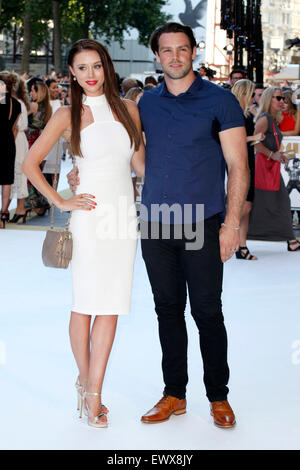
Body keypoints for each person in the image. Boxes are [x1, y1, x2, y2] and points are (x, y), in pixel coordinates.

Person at [22, 38, 145, 428]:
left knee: (112, 305)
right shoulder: (66, 114)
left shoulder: (129, 110)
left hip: (123, 218)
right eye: (82, 68)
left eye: (97, 66)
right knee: (87, 302)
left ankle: (93, 389)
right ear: (72, 74)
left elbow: (141, 165)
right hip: (90, 219)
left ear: (106, 67)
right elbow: (29, 164)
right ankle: (87, 384)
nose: (91, 75)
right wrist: (61, 201)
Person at [137, 22, 248, 428]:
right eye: (166, 51)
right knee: (167, 310)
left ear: (194, 51)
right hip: (156, 225)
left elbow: (238, 165)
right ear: (157, 56)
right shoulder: (145, 103)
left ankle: (218, 397)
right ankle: (174, 394)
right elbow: (127, 151)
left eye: (182, 49)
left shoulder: (220, 101)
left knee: (206, 311)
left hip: (203, 222)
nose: (175, 57)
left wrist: (232, 224)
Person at [247, 87, 300, 250]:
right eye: (278, 98)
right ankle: (291, 240)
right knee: (270, 202)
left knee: (277, 202)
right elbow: (255, 142)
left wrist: (277, 155)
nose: (282, 101)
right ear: (269, 99)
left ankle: (290, 240)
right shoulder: (264, 119)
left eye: (283, 98)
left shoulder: (271, 119)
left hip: (271, 167)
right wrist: (272, 155)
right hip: (264, 168)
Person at [231, 79, 265, 260]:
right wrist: (254, 137)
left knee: (248, 206)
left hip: (247, 160)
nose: (254, 98)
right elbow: (233, 138)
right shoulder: (234, 113)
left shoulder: (246, 113)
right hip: (239, 162)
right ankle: (233, 239)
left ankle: (242, 246)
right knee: (242, 206)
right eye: (252, 94)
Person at [25, 81, 52, 215]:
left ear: (38, 92)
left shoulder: (34, 105)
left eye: (32, 91)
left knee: (29, 175)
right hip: (39, 140)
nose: (30, 93)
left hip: (30, 140)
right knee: (37, 174)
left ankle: (32, 204)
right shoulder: (47, 107)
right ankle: (41, 203)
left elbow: (22, 117)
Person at [0, 71, 21, 227]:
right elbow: (15, 128)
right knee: (6, 179)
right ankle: (4, 212)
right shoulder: (17, 103)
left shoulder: (1, 100)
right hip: (8, 143)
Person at [10, 73, 30, 223]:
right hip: (13, 139)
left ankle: (20, 207)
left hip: (17, 140)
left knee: (19, 172)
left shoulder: (18, 103)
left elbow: (17, 126)